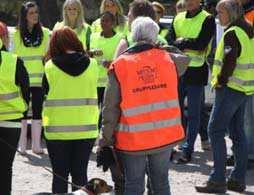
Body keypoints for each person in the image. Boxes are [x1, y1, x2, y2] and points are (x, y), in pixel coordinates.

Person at [99, 16, 190, 195]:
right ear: (155, 38)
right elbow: (183, 59)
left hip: (133, 139)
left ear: (132, 36)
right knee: (161, 183)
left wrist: (106, 139)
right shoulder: (168, 59)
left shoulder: (121, 64)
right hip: (164, 135)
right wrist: (159, 46)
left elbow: (110, 107)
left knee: (133, 185)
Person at [195, 0, 254, 193]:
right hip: (245, 89)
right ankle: (237, 179)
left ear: (230, 13)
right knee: (238, 133)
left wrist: (220, 80)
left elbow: (230, 61)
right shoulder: (248, 29)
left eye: (220, 13)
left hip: (230, 88)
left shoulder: (232, 33)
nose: (217, 16)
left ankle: (217, 180)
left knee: (215, 130)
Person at [42, 27, 99, 194]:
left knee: (59, 175)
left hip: (57, 131)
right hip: (86, 130)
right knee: (80, 175)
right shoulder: (93, 65)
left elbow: (45, 91)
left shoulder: (50, 66)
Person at [168, 0, 216, 163]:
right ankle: (178, 145)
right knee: (176, 110)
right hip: (178, 70)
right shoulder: (178, 17)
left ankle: (188, 149)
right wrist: (187, 43)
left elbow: (201, 44)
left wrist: (182, 42)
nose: (189, 2)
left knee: (194, 113)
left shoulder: (207, 18)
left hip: (197, 70)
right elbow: (169, 41)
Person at [12, 1, 50, 154]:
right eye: (31, 13)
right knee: (22, 111)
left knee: (37, 111)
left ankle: (36, 145)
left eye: (36, 12)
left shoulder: (46, 33)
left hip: (39, 79)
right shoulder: (16, 34)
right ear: (24, 16)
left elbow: (47, 56)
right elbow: (13, 56)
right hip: (22, 79)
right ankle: (22, 145)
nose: (35, 15)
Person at [0, 21, 30, 195]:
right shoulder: (14, 61)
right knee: (5, 169)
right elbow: (26, 91)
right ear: (4, 38)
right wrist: (23, 111)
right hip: (11, 123)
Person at [90, 12, 123, 129]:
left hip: (110, 81)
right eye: (102, 20)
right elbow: (87, 55)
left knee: (106, 111)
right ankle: (95, 133)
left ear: (113, 23)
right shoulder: (93, 36)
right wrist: (91, 53)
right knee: (93, 110)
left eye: (107, 21)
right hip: (94, 81)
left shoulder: (119, 38)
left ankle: (103, 134)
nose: (103, 23)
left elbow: (122, 59)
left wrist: (111, 63)